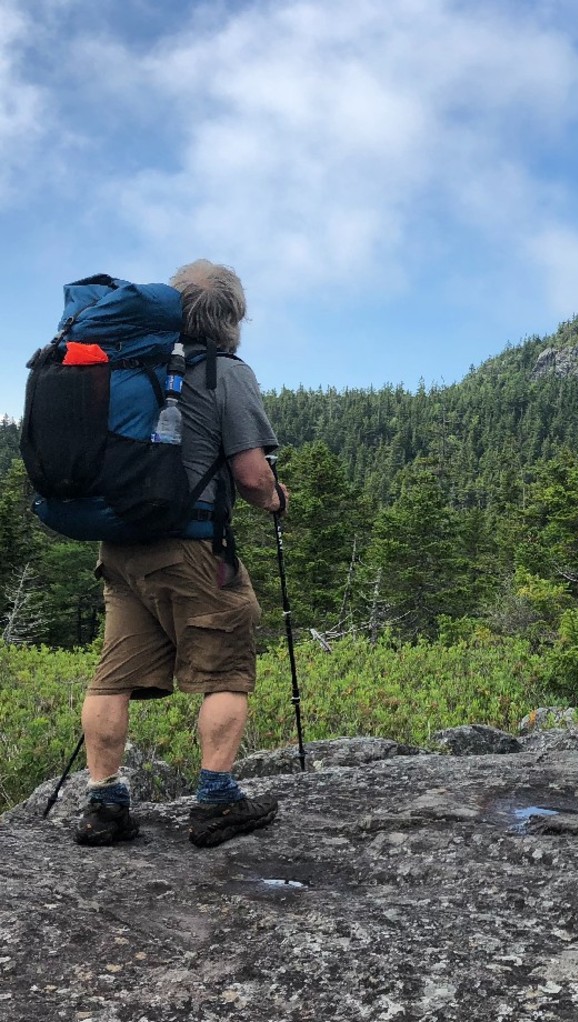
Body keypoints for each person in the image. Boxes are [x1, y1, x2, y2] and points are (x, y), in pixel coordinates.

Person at [74, 259, 289, 849]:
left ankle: (104, 806)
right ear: (230, 318)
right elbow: (250, 476)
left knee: (113, 676)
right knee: (227, 666)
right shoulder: (224, 372)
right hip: (190, 545)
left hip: (120, 546)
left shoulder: (128, 365)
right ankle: (217, 802)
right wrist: (274, 497)